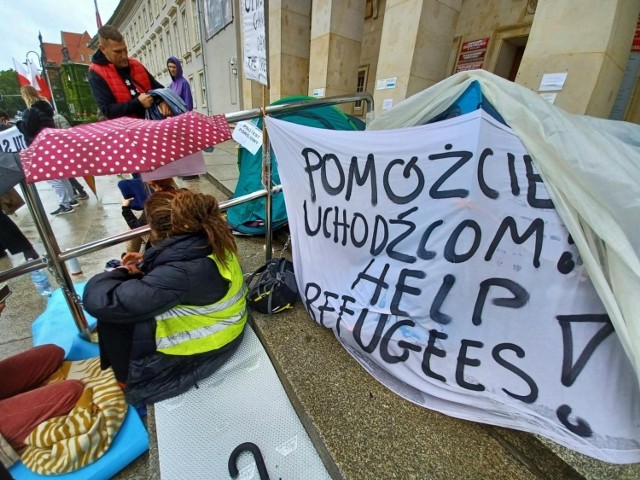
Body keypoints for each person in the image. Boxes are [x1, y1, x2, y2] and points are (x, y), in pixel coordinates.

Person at [82, 190, 248, 406]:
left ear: (159, 230)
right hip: (224, 326)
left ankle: (126, 382)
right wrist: (145, 262)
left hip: (209, 347)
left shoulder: (183, 271)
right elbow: (180, 275)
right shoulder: (209, 239)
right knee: (130, 308)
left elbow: (103, 300)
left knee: (117, 319)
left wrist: (122, 272)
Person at [16, 86, 77, 216]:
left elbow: (29, 130)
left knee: (51, 177)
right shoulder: (45, 108)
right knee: (60, 175)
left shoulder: (31, 111)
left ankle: (65, 204)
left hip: (40, 147)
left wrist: (19, 124)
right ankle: (71, 200)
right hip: (51, 144)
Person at [88, 25, 171, 120]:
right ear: (103, 49)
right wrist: (137, 103)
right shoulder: (96, 72)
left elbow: (157, 88)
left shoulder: (135, 64)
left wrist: (162, 101)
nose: (124, 56)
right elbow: (108, 111)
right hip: (127, 131)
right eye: (118, 52)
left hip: (151, 127)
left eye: (125, 49)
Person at [52, 112, 90, 201]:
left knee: (65, 172)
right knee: (64, 172)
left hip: (61, 148)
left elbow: (67, 131)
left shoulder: (57, 117)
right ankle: (76, 190)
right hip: (57, 148)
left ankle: (80, 190)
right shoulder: (54, 118)